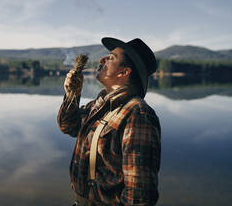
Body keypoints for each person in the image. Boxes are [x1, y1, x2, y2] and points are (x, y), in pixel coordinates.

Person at [57, 37, 161, 206]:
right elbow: (68, 126)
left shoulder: (138, 114)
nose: (102, 59)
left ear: (124, 72)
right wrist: (72, 95)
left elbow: (139, 196)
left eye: (111, 57)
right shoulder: (99, 104)